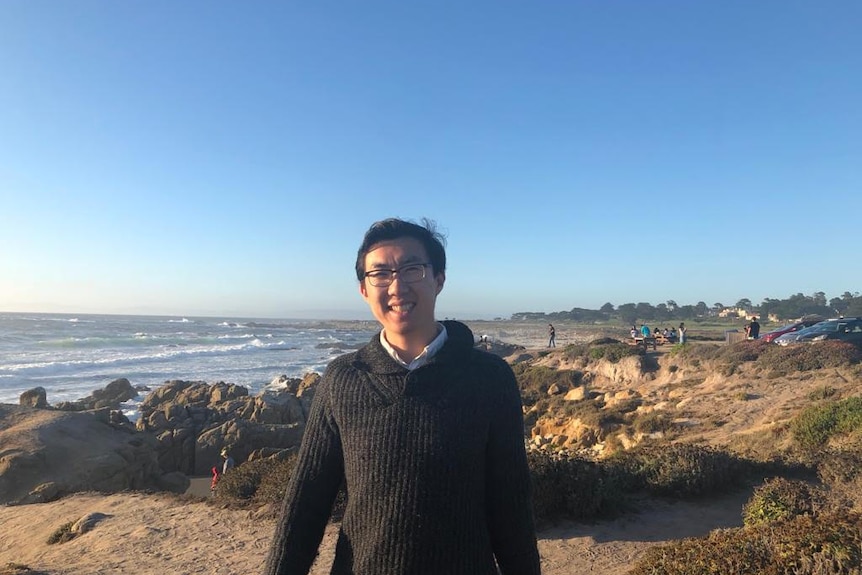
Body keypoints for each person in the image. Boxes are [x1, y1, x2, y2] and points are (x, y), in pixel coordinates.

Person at [265, 218, 540, 575]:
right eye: (380, 273)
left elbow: (511, 508)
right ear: (364, 289)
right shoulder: (342, 379)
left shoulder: (490, 378)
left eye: (412, 269)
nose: (396, 286)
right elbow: (305, 505)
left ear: (438, 279)